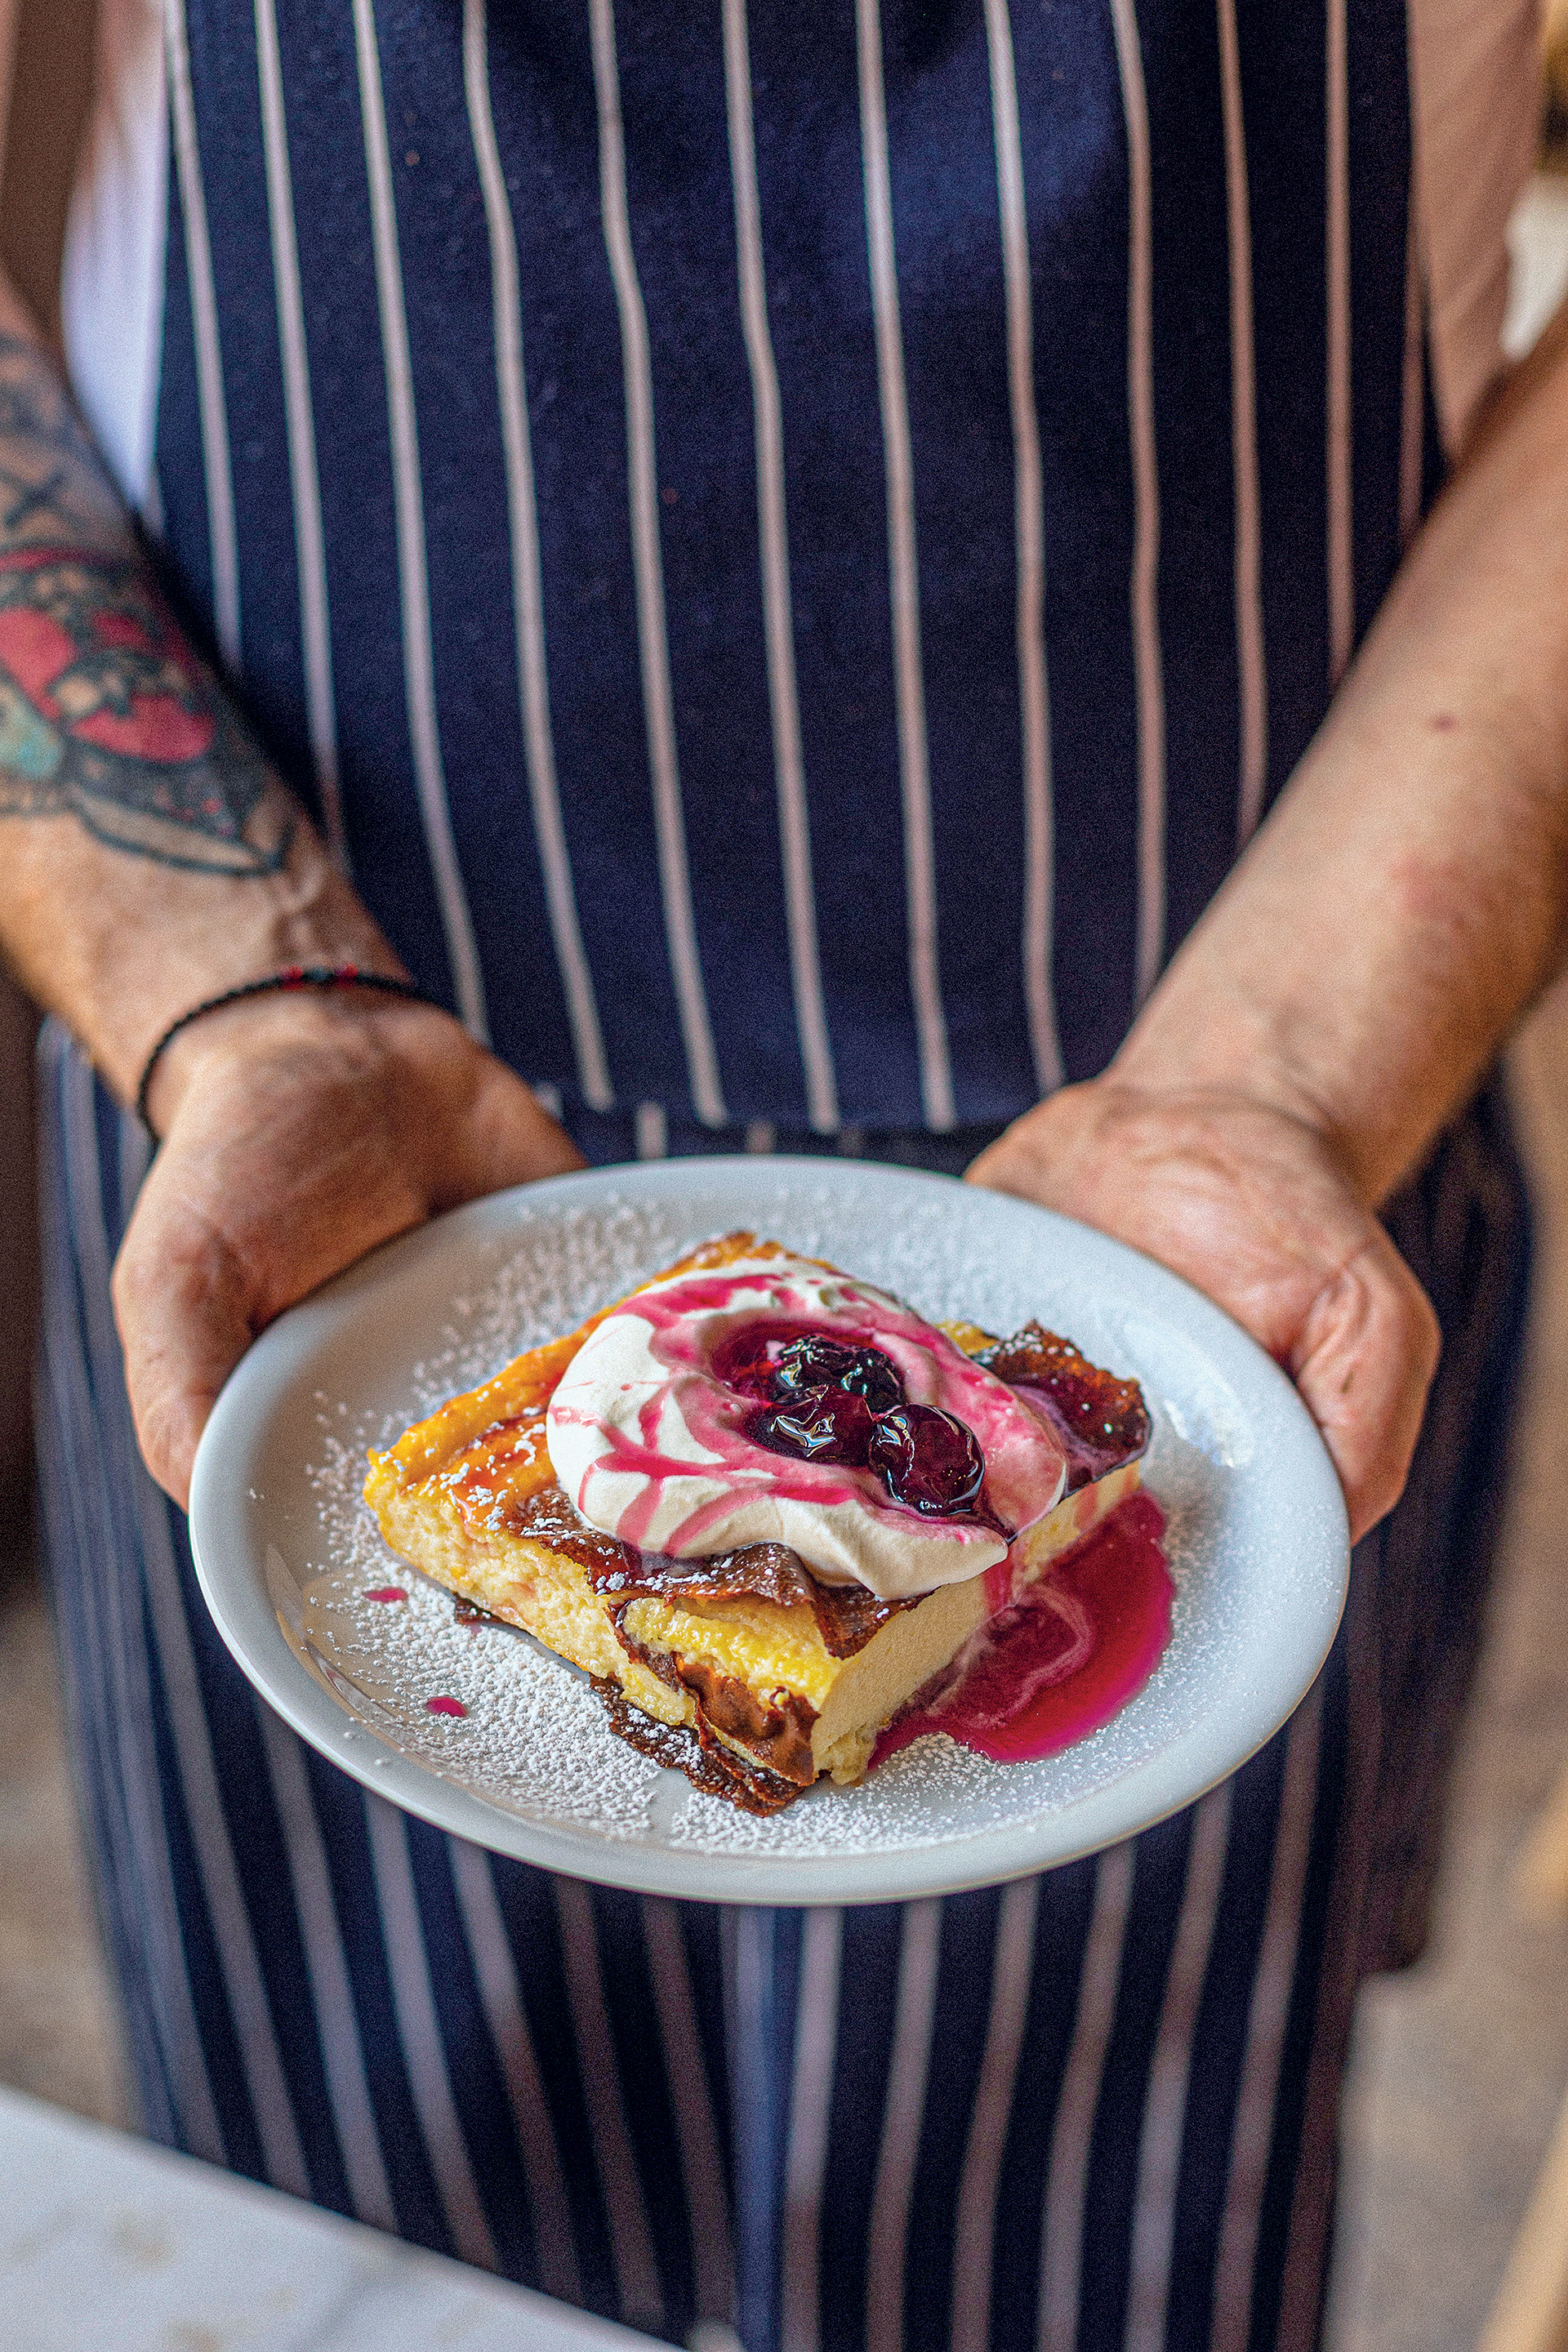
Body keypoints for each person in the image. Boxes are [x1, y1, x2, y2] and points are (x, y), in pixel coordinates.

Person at [0, 0, 1556, 2344]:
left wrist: (1287, 1070)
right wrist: (226, 979)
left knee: (1074, 2267)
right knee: (387, 2267)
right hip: (307, 1170)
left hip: (1233, 1163)